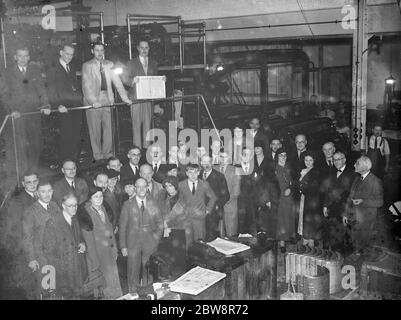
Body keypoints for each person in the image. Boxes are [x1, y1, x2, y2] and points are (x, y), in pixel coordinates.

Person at [0, 46, 50, 186]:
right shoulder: (7, 72)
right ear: (15, 57)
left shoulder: (34, 70)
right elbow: (4, 94)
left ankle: (32, 172)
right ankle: (22, 176)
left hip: (34, 113)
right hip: (18, 115)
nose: (23, 59)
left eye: (26, 56)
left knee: (35, 143)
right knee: (20, 146)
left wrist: (45, 105)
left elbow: (41, 88)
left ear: (29, 57)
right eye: (20, 56)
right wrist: (12, 110)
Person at [82, 41, 132, 162]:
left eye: (102, 50)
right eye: (97, 50)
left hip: (107, 98)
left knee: (109, 128)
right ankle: (98, 156)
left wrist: (125, 98)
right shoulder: (87, 65)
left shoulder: (110, 64)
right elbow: (86, 85)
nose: (99, 53)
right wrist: (93, 101)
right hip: (93, 99)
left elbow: (118, 82)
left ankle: (108, 154)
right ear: (92, 51)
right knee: (95, 130)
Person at [119, 178, 163, 292]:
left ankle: (147, 293)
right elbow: (122, 227)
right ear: (135, 188)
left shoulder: (153, 203)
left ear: (147, 187)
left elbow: (160, 223)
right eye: (139, 187)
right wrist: (123, 246)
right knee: (132, 270)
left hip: (149, 243)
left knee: (148, 270)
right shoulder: (127, 205)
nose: (142, 189)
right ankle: (132, 293)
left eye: (144, 186)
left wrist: (155, 239)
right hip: (132, 244)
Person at [77, 186, 122, 299]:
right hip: (97, 255)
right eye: (95, 196)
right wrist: (94, 262)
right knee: (103, 285)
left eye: (101, 196)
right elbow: (89, 241)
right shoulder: (86, 214)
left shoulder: (104, 209)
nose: (99, 198)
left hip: (109, 253)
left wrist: (115, 250)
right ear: (89, 198)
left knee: (114, 282)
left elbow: (111, 231)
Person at [0, 172, 38, 299]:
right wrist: (28, 255)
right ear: (23, 184)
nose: (32, 185)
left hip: (43, 248)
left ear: (38, 181)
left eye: (34, 181)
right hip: (27, 250)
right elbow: (17, 230)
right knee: (32, 286)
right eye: (28, 182)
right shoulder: (17, 202)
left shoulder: (43, 195)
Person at [42, 194, 87, 299]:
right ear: (63, 205)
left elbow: (80, 238)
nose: (74, 208)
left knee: (77, 296)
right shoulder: (53, 222)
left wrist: (83, 244)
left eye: (76, 205)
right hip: (64, 272)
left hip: (77, 268)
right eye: (70, 205)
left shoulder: (75, 219)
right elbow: (48, 250)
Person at [22, 180, 60, 299]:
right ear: (37, 193)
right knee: (47, 289)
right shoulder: (30, 211)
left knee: (58, 288)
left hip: (57, 255)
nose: (47, 194)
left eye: (49, 191)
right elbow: (26, 237)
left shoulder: (54, 205)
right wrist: (31, 259)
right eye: (43, 192)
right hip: (42, 257)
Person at [46, 43, 83, 163]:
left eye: (71, 54)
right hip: (62, 109)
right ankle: (65, 163)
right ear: (61, 53)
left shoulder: (71, 67)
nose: (69, 56)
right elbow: (51, 90)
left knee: (75, 136)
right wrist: (58, 105)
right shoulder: (52, 68)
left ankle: (73, 162)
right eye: (67, 54)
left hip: (74, 108)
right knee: (65, 137)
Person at [122, 39, 158, 149]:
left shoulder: (153, 63)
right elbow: (124, 78)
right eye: (142, 48)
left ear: (149, 49)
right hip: (136, 98)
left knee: (148, 123)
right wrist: (132, 81)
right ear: (138, 48)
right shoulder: (131, 63)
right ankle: (137, 148)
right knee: (136, 124)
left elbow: (155, 80)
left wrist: (162, 80)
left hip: (148, 98)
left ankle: (146, 147)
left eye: (146, 48)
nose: (144, 50)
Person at [343, 156, 383, 254]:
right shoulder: (357, 179)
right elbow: (350, 197)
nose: (354, 165)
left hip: (366, 221)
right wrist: (345, 213)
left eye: (357, 163)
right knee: (353, 246)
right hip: (354, 218)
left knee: (361, 248)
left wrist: (363, 201)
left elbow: (380, 202)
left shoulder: (375, 181)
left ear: (365, 167)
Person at [322, 151, 357, 250]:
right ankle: (329, 257)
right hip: (331, 209)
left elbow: (352, 196)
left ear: (344, 160)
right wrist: (325, 205)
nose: (336, 162)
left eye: (339, 159)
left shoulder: (352, 174)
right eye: (334, 160)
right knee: (329, 234)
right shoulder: (331, 172)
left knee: (340, 237)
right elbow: (327, 190)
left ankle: (338, 259)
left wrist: (346, 213)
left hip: (342, 210)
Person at [178, 164, 217, 246]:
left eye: (195, 172)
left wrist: (207, 210)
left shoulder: (204, 184)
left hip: (199, 218)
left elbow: (213, 197)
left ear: (199, 173)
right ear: (186, 173)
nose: (193, 175)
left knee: (199, 242)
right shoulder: (181, 185)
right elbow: (178, 200)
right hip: (186, 218)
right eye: (190, 172)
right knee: (186, 242)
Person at [157, 176, 189, 273]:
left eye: (170, 186)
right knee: (166, 256)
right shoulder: (162, 196)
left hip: (178, 230)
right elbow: (157, 212)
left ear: (175, 185)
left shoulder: (183, 197)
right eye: (166, 186)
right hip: (164, 230)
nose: (168, 188)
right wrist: (164, 225)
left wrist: (168, 225)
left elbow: (183, 216)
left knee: (179, 257)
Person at [295, 152, 322, 247]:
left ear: (314, 160)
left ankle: (311, 242)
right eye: (306, 160)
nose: (308, 162)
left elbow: (314, 187)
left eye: (311, 160)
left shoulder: (316, 171)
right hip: (303, 199)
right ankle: (305, 239)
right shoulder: (302, 170)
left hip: (312, 200)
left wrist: (303, 188)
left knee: (310, 219)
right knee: (303, 218)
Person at [200, 155, 230, 240]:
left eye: (208, 162)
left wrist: (217, 206)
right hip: (199, 212)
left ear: (212, 163)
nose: (206, 164)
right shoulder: (197, 175)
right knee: (200, 237)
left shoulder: (219, 176)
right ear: (201, 163)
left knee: (212, 238)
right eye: (204, 162)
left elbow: (226, 195)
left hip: (213, 213)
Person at [274, 148, 295, 252]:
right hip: (279, 196)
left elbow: (293, 182)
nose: (283, 157)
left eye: (285, 155)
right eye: (281, 155)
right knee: (281, 220)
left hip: (288, 196)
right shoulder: (274, 168)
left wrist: (290, 189)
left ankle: (288, 237)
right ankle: (281, 242)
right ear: (277, 156)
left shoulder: (288, 167)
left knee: (288, 218)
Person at [217, 152, 241, 236]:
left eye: (225, 157)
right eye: (221, 156)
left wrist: (225, 200)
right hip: (216, 205)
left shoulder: (235, 170)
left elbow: (236, 190)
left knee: (231, 232)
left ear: (229, 158)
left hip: (230, 203)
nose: (223, 159)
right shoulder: (214, 168)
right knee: (218, 232)